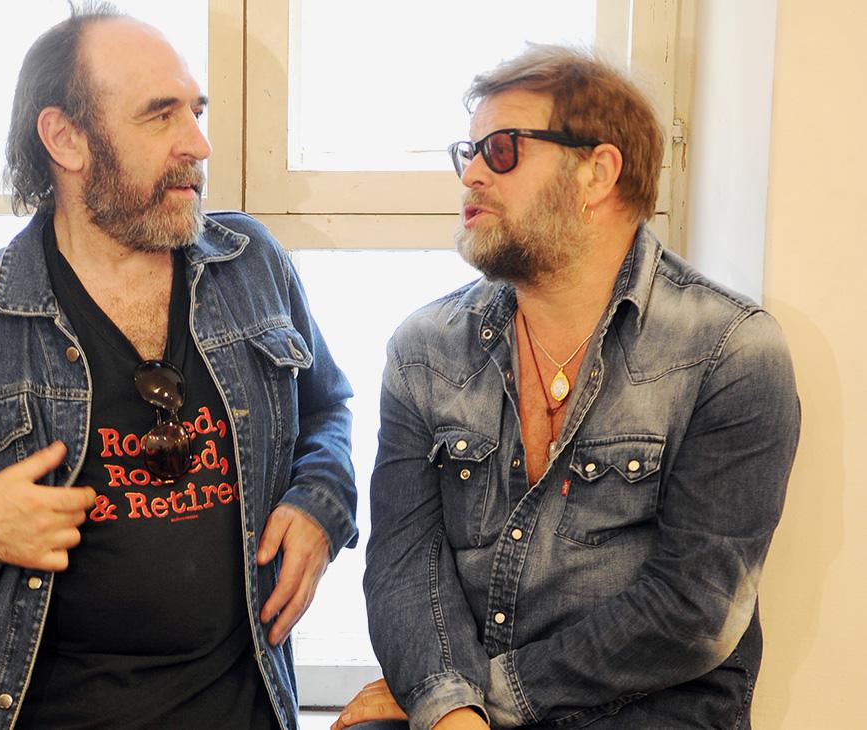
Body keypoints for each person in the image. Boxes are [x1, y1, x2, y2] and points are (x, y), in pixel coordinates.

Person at [0, 5, 357, 728]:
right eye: (161, 115)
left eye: (196, 110)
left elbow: (326, 407)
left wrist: (321, 502)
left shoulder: (252, 267)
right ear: (66, 138)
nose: (199, 143)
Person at [336, 45, 799, 730]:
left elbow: (695, 609)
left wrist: (481, 697)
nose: (471, 174)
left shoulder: (730, 350)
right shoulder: (425, 348)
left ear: (597, 172)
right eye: (467, 153)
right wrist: (449, 708)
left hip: (650, 710)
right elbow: (404, 564)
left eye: (501, 150)